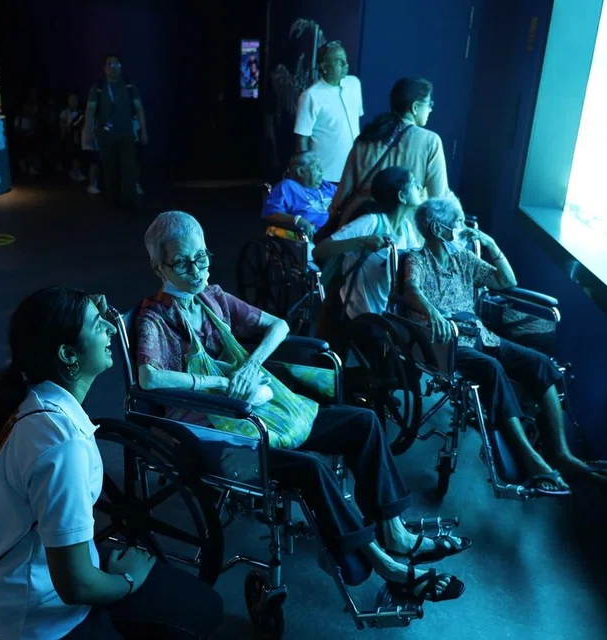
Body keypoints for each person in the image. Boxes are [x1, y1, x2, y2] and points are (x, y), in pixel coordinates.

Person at [134, 210, 470, 604]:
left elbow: (278, 326)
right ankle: (386, 566)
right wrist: (223, 384)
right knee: (310, 468)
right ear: (158, 267)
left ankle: (394, 531)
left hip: (260, 413)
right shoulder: (155, 317)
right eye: (181, 263)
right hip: (216, 434)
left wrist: (251, 365)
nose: (196, 270)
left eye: (201, 257)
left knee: (362, 422)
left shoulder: (212, 297)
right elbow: (149, 378)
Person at [0, 287, 224, 639]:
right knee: (203, 612)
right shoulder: (61, 445)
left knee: (200, 604)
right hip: (38, 623)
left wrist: (85, 311)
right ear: (68, 354)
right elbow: (77, 586)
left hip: (19, 594)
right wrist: (127, 580)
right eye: (98, 324)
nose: (112, 329)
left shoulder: (34, 402)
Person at [403, 196, 607, 494]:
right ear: (437, 228)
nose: (462, 228)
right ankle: (531, 459)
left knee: (540, 364)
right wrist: (433, 313)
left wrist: (491, 244)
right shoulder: (417, 260)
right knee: (492, 369)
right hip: (447, 344)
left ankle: (561, 453)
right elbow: (411, 288)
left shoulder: (462, 259)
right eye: (456, 223)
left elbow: (506, 281)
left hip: (482, 337)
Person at [331, 77, 450, 227]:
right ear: (415, 107)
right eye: (429, 104)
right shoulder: (430, 141)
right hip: (401, 229)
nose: (431, 109)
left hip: (357, 223)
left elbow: (342, 193)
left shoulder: (367, 136)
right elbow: (438, 201)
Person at [312, 166, 426, 321]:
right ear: (401, 196)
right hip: (355, 316)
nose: (419, 186)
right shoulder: (371, 222)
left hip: (383, 316)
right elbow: (320, 250)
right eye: (413, 182)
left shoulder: (406, 228)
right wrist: (362, 242)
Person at [294, 41, 364, 184]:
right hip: (325, 176)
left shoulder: (354, 84)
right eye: (338, 61)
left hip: (353, 172)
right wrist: (307, 174)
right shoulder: (310, 96)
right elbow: (302, 138)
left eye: (345, 60)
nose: (345, 65)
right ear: (323, 66)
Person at [85, 54, 148, 211]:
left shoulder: (129, 85)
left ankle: (129, 202)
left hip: (127, 134)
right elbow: (90, 110)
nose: (113, 68)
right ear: (104, 68)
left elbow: (139, 108)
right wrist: (88, 132)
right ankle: (113, 203)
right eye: (110, 64)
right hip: (106, 136)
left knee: (129, 167)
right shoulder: (98, 87)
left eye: (116, 64)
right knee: (110, 169)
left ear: (121, 67)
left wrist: (143, 131)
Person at [262, 151, 337, 239]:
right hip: (311, 238)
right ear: (301, 172)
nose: (321, 170)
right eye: (316, 167)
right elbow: (270, 215)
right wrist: (298, 220)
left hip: (338, 233)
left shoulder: (326, 185)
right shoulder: (287, 187)